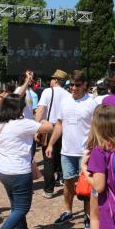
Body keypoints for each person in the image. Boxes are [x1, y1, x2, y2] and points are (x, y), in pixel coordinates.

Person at [0, 94, 54, 229]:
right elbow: (49, 127)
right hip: (18, 171)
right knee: (22, 208)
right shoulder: (23, 124)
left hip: (3, 169)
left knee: (16, 206)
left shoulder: (0, 123)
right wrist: (43, 121)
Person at [46, 70, 97, 229]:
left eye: (77, 85)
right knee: (68, 183)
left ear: (85, 85)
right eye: (71, 85)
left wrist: (95, 148)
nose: (73, 88)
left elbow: (96, 127)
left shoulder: (92, 103)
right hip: (67, 151)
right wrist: (51, 144)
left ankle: (88, 215)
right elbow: (59, 124)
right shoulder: (65, 101)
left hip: (86, 152)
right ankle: (68, 211)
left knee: (87, 185)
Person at [35, 70, 70, 199]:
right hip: (63, 128)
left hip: (49, 128)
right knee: (61, 156)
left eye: (52, 79)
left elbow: (40, 110)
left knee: (48, 158)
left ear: (55, 80)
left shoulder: (47, 92)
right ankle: (62, 180)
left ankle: (49, 190)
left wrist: (36, 127)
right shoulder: (68, 94)